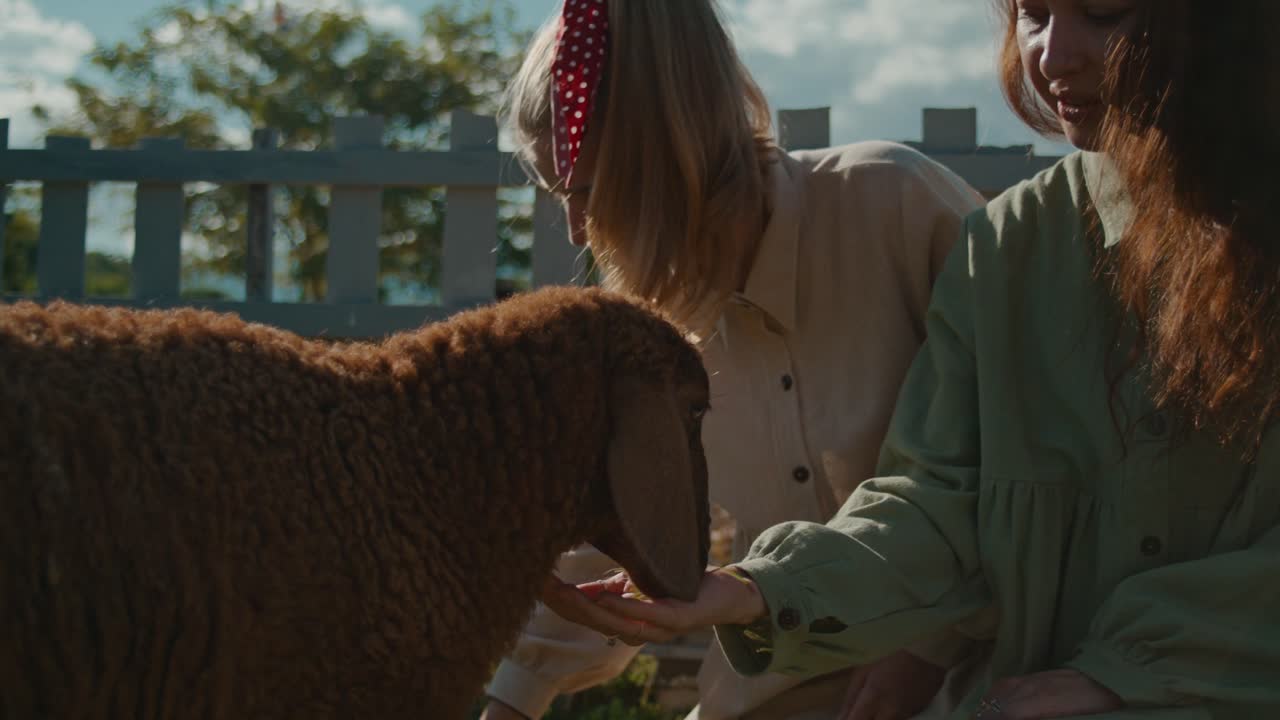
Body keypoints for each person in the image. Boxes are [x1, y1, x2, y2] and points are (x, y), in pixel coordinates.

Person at [542, 1, 1280, 718]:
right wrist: (756, 591)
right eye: (1035, 14)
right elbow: (937, 502)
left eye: (1105, 13)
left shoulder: (893, 206)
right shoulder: (1006, 248)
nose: (1054, 56)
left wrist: (1134, 669)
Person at [480, 1, 987, 719]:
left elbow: (1023, 462)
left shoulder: (898, 210)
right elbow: (611, 537)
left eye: (591, 192)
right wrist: (513, 701)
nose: (575, 227)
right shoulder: (648, 338)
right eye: (558, 193)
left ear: (672, 148)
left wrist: (928, 646)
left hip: (975, 687)